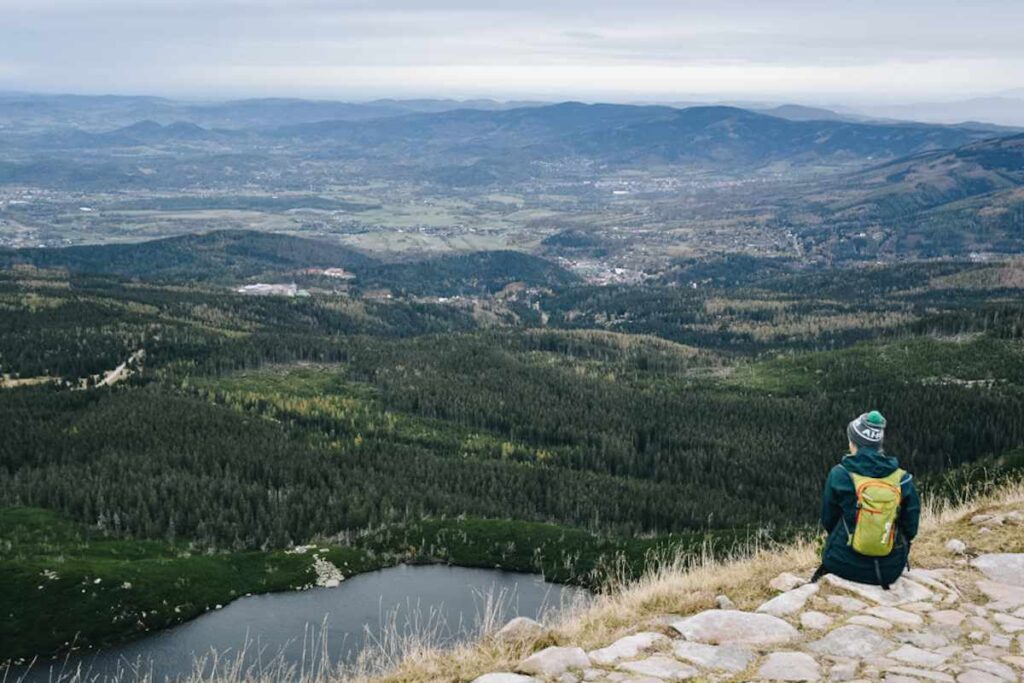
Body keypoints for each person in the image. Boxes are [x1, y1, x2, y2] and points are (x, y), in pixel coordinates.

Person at [813, 410, 921, 588]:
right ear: (879, 445)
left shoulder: (840, 475)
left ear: (853, 443)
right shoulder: (903, 480)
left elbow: (828, 520)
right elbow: (910, 529)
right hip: (889, 569)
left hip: (841, 563)